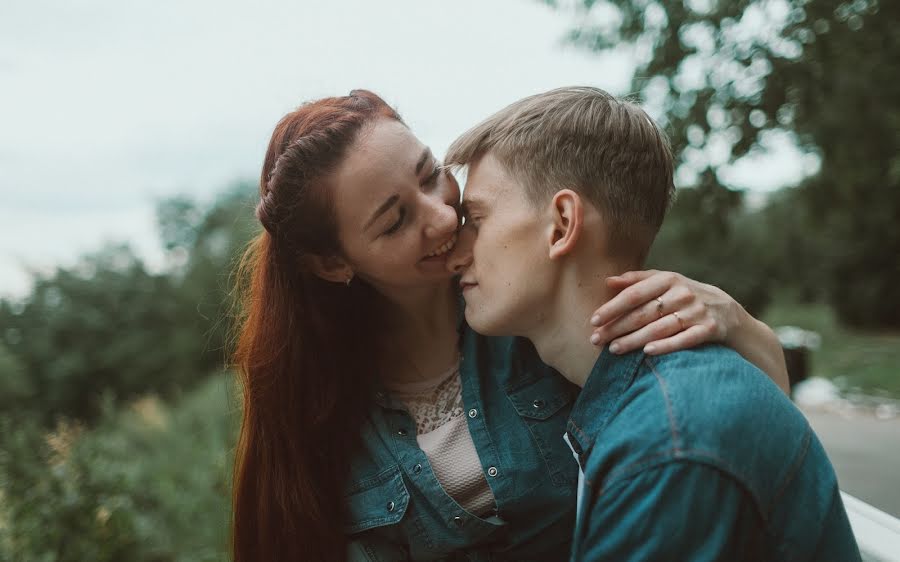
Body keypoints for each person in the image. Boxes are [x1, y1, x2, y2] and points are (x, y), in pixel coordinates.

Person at [230, 90, 791, 561]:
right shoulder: (317, 399)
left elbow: (746, 425)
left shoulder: (528, 311)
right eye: (397, 220)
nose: (445, 215)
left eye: (430, 176)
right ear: (334, 263)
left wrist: (734, 320)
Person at [444, 86, 860, 561]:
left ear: (561, 224)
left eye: (476, 218)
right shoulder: (648, 398)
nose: (457, 254)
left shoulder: (666, 445)